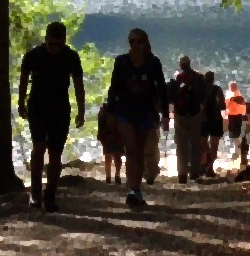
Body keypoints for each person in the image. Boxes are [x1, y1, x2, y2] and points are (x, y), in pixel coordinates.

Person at [18, 20, 87, 213]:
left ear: (64, 41)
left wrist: (81, 110)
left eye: (58, 44)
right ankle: (35, 192)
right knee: (38, 147)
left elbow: (79, 85)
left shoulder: (71, 57)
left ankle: (51, 194)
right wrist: (20, 102)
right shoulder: (33, 56)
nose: (54, 48)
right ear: (45, 39)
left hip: (60, 109)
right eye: (51, 44)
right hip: (38, 107)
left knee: (55, 153)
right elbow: (23, 80)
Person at [104, 28, 167, 210]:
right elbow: (114, 87)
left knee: (139, 152)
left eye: (138, 41)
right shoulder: (121, 62)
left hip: (145, 112)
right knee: (131, 147)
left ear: (145, 42)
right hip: (125, 111)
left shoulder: (153, 63)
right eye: (131, 42)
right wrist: (110, 112)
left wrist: (165, 115)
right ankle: (131, 191)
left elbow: (161, 88)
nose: (135, 45)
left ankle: (136, 190)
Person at [169, 56, 209, 183]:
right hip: (195, 113)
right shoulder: (198, 77)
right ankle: (194, 172)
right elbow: (204, 95)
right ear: (190, 64)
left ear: (181, 65)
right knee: (195, 144)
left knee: (181, 145)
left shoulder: (178, 78)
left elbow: (172, 97)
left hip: (180, 114)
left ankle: (182, 174)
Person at [225, 82, 249, 167]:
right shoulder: (240, 96)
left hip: (233, 116)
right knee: (236, 135)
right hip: (239, 117)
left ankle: (237, 150)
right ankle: (237, 151)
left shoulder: (230, 96)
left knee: (234, 135)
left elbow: (226, 106)